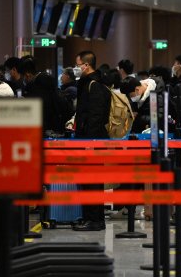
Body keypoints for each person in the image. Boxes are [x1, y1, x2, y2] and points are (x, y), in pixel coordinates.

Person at [73, 51, 111, 231]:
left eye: (78, 64)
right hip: (87, 139)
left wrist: (89, 142)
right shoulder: (89, 84)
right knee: (88, 180)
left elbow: (95, 117)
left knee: (93, 181)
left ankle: (95, 220)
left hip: (92, 141)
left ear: (86, 65)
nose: (76, 68)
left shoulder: (94, 85)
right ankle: (89, 217)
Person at [22, 58, 71, 134]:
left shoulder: (37, 87)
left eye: (24, 76)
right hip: (55, 125)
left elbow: (42, 110)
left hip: (46, 128)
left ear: (27, 74)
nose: (24, 79)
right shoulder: (47, 80)